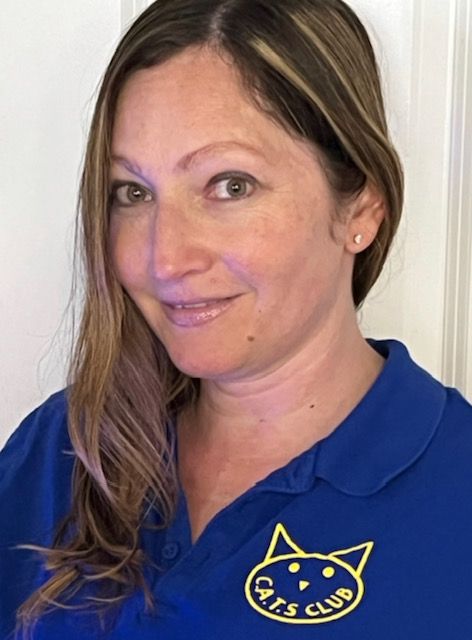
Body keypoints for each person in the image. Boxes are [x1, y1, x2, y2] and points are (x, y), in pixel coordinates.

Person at [1, 0, 472, 638]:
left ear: (362, 206)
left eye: (230, 185)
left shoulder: (456, 490)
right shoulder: (62, 449)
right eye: (133, 192)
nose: (165, 258)